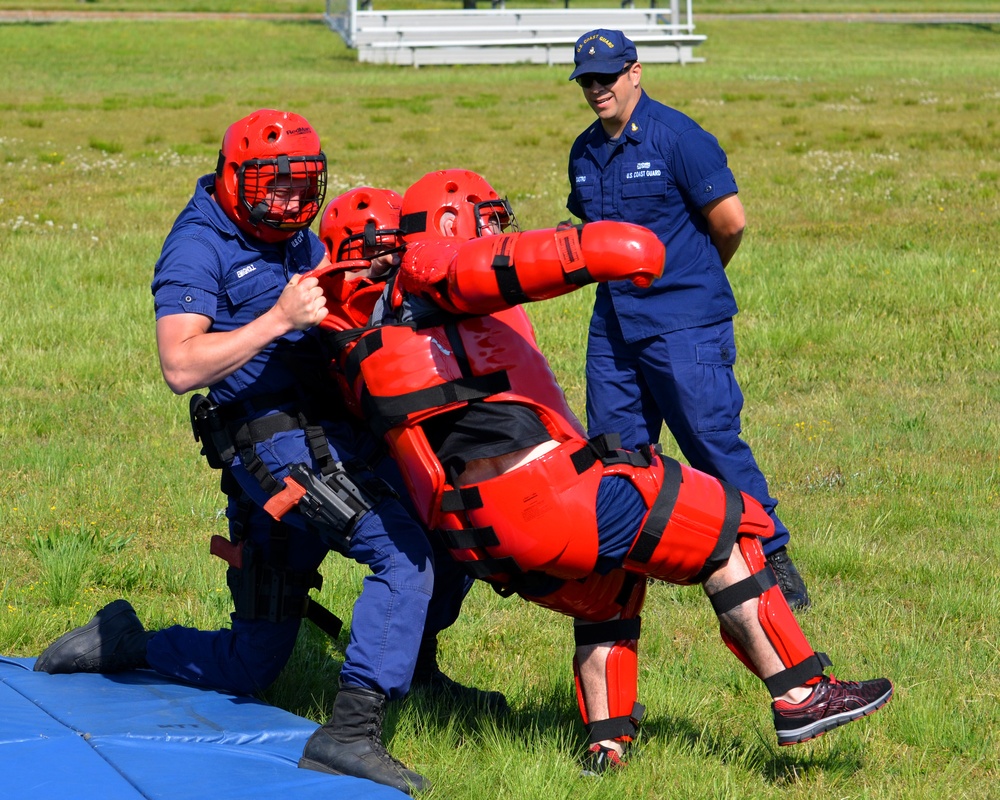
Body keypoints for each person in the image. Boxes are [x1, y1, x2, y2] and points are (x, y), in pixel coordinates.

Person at [309, 170, 892, 774]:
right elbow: (478, 265)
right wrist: (591, 249)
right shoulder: (435, 270)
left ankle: (606, 747)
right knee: (729, 526)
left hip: (478, 539)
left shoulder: (346, 333)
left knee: (611, 591)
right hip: (545, 502)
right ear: (452, 224)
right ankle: (801, 694)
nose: (493, 228)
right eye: (483, 218)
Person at [32, 111, 500, 797]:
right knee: (404, 556)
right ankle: (351, 732)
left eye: (302, 187)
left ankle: (132, 642)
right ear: (231, 180)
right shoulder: (198, 246)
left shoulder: (289, 237)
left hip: (329, 431)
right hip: (271, 451)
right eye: (271, 188)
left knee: (263, 655)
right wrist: (279, 319)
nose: (288, 203)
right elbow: (180, 364)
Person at [565, 30, 811, 610]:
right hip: (614, 330)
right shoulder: (583, 151)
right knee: (616, 454)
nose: (597, 89)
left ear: (635, 72)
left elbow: (730, 222)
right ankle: (623, 573)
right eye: (587, 81)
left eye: (606, 76)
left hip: (684, 322)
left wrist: (693, 280)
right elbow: (591, 233)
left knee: (711, 444)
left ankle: (770, 555)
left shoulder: (680, 138)